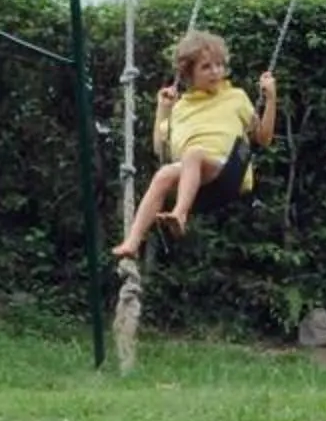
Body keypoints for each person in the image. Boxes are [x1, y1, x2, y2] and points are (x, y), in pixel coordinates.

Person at [110, 31, 277, 261]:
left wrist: (270, 100)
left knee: (194, 153)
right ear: (188, 73)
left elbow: (264, 137)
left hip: (228, 171)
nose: (216, 72)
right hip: (193, 178)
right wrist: (163, 110)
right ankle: (132, 242)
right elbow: (161, 149)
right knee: (164, 174)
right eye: (206, 67)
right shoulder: (181, 107)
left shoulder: (236, 97)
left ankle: (179, 213)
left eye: (219, 65)